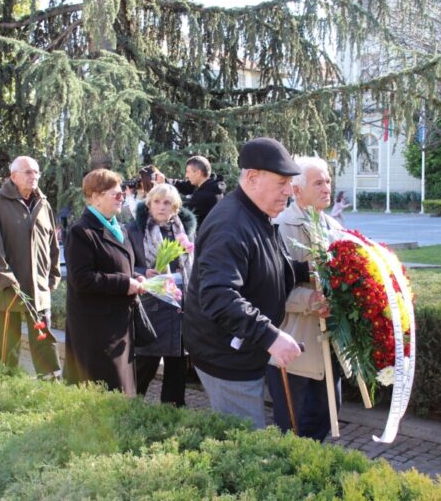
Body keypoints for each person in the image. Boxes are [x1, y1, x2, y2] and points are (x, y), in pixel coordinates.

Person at [182, 137, 310, 428]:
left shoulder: (256, 214)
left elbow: (267, 264)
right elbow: (218, 296)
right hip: (227, 357)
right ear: (252, 178)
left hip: (241, 350)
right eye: (281, 183)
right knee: (245, 445)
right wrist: (270, 337)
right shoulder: (231, 224)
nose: (289, 193)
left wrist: (306, 271)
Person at [267, 156, 342, 441]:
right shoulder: (280, 228)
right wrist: (309, 300)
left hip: (327, 349)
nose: (326, 187)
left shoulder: (335, 227)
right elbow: (269, 290)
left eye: (328, 181)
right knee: (294, 429)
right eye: (318, 182)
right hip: (294, 349)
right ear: (297, 191)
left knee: (325, 422)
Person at [64, 168, 144, 395]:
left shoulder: (119, 228)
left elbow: (124, 264)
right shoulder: (82, 231)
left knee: (123, 387)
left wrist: (138, 276)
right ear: (95, 196)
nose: (122, 198)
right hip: (96, 331)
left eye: (123, 194)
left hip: (119, 324)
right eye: (116, 194)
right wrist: (124, 283)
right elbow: (82, 279)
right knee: (105, 390)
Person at [0, 156, 62, 380]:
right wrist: (7, 279)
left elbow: (52, 245)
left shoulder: (43, 203)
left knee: (44, 337)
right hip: (8, 289)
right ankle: (7, 383)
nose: (34, 176)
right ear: (13, 176)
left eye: (36, 172)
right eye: (28, 172)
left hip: (39, 287)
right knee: (8, 341)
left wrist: (53, 276)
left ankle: (50, 380)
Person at [126, 183, 196, 406]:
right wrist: (141, 272)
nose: (161, 207)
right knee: (144, 366)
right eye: (156, 201)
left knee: (177, 370)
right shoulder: (135, 230)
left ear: (175, 207)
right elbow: (123, 265)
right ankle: (128, 410)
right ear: (148, 204)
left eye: (167, 203)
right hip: (151, 308)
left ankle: (171, 417)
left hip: (179, 309)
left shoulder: (185, 232)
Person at [160, 156, 226, 231]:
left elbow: (181, 212)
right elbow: (185, 186)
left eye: (188, 172)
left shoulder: (206, 195)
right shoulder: (209, 183)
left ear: (198, 173)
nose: (186, 175)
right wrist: (165, 180)